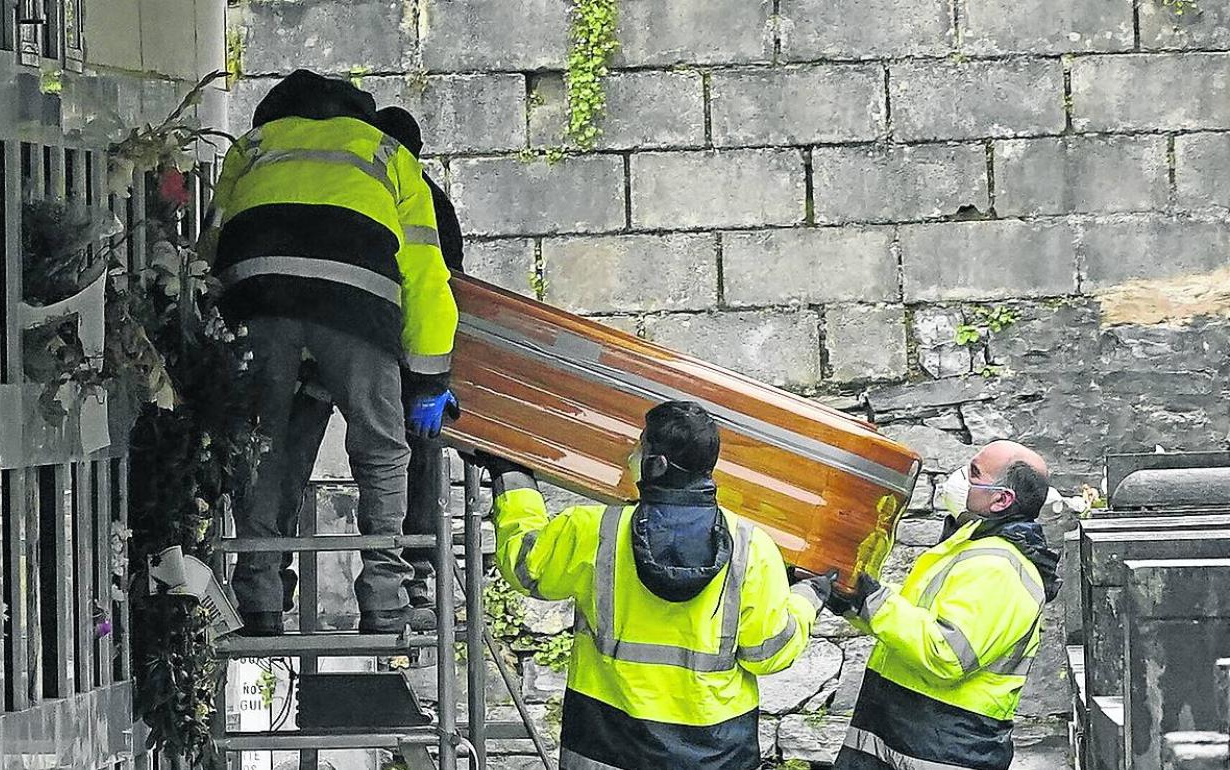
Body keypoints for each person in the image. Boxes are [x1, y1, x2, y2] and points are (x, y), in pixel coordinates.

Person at [205, 70, 459, 636]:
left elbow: (210, 245)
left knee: (262, 447)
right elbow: (425, 276)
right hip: (355, 308)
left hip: (260, 301)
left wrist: (211, 347)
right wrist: (429, 379)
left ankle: (260, 597)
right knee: (381, 450)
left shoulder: (252, 147)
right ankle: (385, 597)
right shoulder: (387, 153)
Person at [479, 401, 832, 770]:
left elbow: (524, 562)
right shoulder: (752, 546)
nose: (631, 454)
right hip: (716, 755)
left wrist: (512, 474)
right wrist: (809, 597)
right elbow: (768, 652)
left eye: (639, 446)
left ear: (655, 464)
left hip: (605, 746)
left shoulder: (594, 531)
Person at [272, 104, 466, 619]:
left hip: (291, 326)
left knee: (278, 457)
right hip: (375, 337)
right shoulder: (417, 190)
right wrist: (430, 381)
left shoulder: (303, 167)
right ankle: (400, 588)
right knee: (395, 457)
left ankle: (265, 586)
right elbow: (436, 287)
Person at [826, 440, 1062, 770]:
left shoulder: (1002, 569)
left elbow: (946, 653)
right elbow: (910, 622)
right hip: (905, 737)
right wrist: (852, 599)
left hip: (940, 750)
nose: (961, 477)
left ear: (1001, 500)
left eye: (974, 472)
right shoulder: (971, 548)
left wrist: (871, 599)